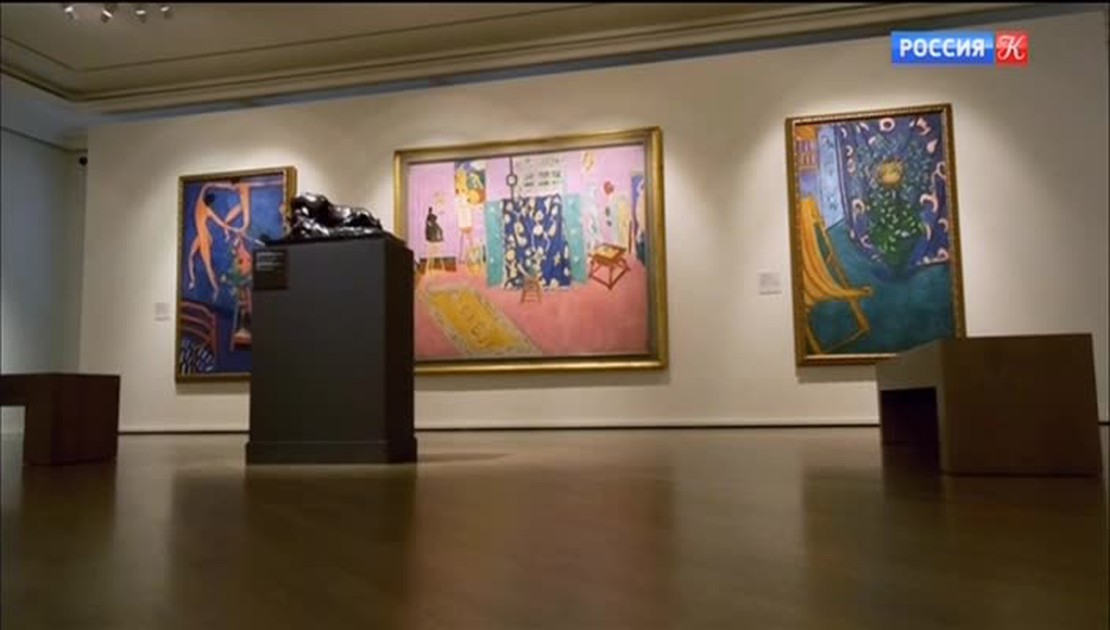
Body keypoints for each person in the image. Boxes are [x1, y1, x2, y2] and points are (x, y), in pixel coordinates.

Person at [186, 183, 238, 302]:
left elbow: (207, 185)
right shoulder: (205, 207)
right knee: (191, 256)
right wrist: (226, 187)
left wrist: (225, 186)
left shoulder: (200, 204)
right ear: (210, 203)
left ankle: (216, 289)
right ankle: (193, 280)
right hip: (201, 236)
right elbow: (206, 185)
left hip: (204, 237)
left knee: (207, 265)